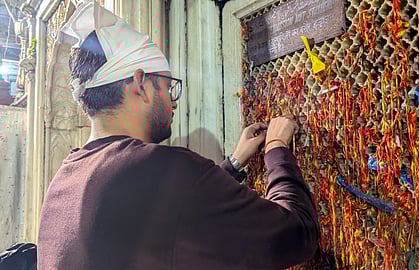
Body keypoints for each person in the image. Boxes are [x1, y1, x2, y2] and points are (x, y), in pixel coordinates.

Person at [37, 1, 320, 269]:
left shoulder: (64, 181)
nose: (173, 102)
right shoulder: (161, 167)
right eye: (167, 86)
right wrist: (276, 148)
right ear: (140, 83)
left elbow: (164, 216)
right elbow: (295, 234)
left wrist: (233, 164)